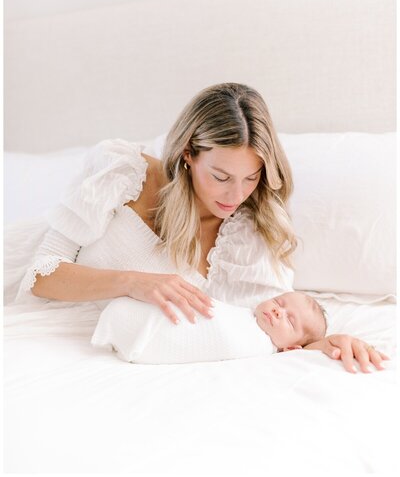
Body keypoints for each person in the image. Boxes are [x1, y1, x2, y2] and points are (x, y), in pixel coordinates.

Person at [18, 82, 389, 374]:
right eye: (221, 176)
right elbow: (40, 275)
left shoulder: (249, 233)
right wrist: (133, 283)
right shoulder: (127, 174)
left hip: (117, 344)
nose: (236, 194)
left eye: (251, 178)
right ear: (188, 155)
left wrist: (326, 344)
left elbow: (270, 328)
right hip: (40, 313)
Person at [91, 291, 328, 364]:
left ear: (291, 348)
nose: (278, 311)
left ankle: (133, 330)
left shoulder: (261, 349)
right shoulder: (243, 313)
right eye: (279, 302)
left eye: (289, 320)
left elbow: (220, 339)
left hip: (160, 339)